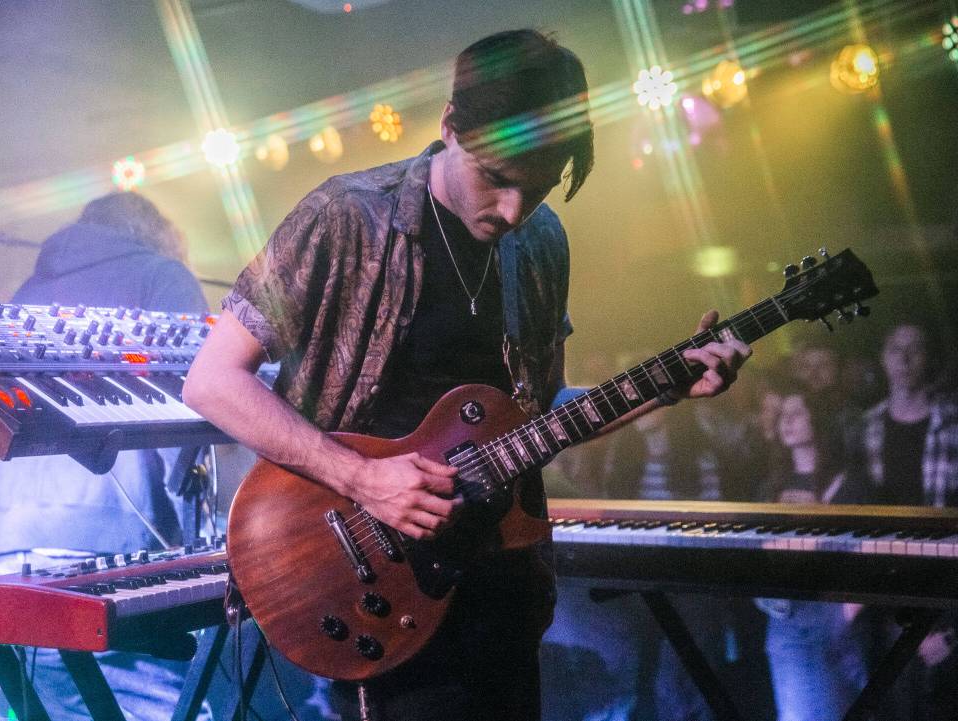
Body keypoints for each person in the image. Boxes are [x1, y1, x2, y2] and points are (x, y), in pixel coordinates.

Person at [184, 29, 751, 721]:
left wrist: (662, 386)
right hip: (373, 578)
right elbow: (212, 381)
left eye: (538, 191)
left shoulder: (540, 244)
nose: (513, 213)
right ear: (450, 126)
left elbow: (539, 417)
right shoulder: (346, 216)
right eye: (500, 179)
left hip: (503, 589)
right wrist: (363, 477)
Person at [0, 192, 212, 721]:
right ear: (157, 234)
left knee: (49, 702)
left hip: (1, 551)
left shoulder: (27, 292)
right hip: (109, 551)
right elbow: (202, 404)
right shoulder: (164, 276)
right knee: (170, 707)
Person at [849, 321, 958, 721]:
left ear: (929, 358)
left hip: (944, 588)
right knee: (893, 705)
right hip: (888, 591)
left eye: (916, 348)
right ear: (883, 358)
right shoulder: (867, 426)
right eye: (896, 348)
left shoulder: (953, 421)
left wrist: (952, 630)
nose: (905, 358)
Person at [756, 391, 868, 721]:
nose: (786, 421)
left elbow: (866, 553)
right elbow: (757, 560)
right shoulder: (770, 488)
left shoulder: (850, 484)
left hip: (836, 613)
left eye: (797, 413)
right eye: (782, 415)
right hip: (789, 620)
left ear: (818, 420)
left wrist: (845, 614)